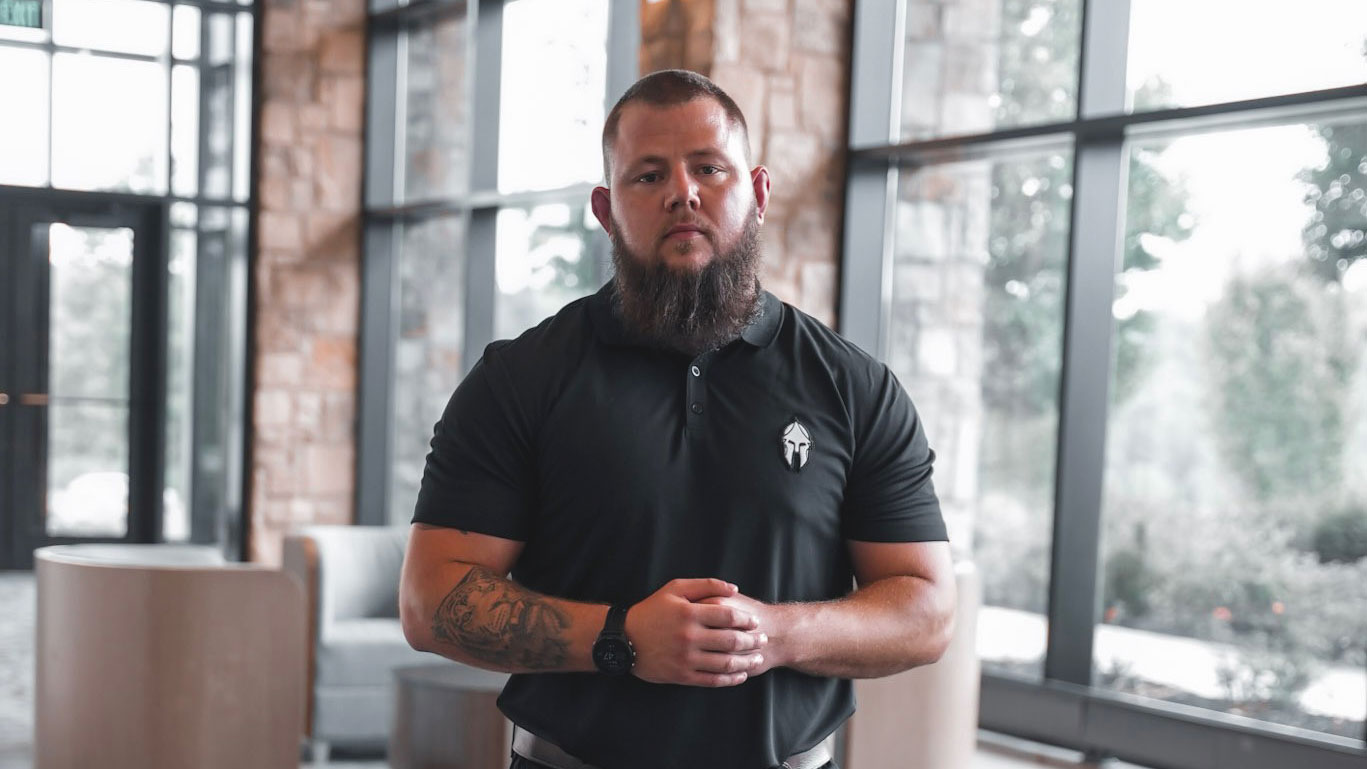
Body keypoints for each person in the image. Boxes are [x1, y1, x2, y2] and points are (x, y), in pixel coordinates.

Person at [399, 69, 956, 769]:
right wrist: (620, 638)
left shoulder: (853, 386)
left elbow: (927, 608)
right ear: (605, 209)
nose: (681, 193)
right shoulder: (519, 378)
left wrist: (776, 632)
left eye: (708, 168)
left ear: (756, 193)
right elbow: (429, 599)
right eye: (648, 175)